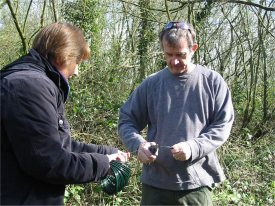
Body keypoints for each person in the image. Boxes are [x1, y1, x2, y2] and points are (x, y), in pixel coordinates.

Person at [0, 22, 129, 205]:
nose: (76, 71)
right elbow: (49, 162)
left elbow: (61, 145)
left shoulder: (37, 83)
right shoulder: (29, 87)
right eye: (77, 62)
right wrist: (103, 164)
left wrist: (108, 153)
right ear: (64, 56)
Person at [118, 20, 234, 205]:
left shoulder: (212, 82)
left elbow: (222, 125)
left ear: (193, 48)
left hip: (196, 185)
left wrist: (192, 147)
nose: (174, 61)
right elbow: (126, 120)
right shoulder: (151, 84)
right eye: (168, 54)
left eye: (181, 54)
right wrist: (138, 145)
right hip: (155, 186)